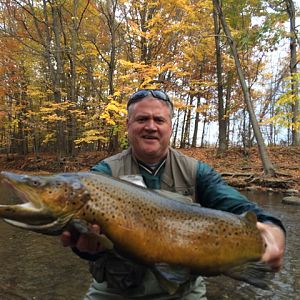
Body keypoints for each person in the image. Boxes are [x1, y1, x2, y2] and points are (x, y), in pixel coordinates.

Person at [61, 89, 286, 300]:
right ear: (128, 125)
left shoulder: (197, 172)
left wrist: (274, 230)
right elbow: (82, 239)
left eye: (159, 120)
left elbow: (241, 209)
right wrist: (88, 251)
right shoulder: (103, 175)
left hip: (183, 292)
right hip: (115, 290)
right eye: (142, 119)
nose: (151, 126)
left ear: (170, 126)